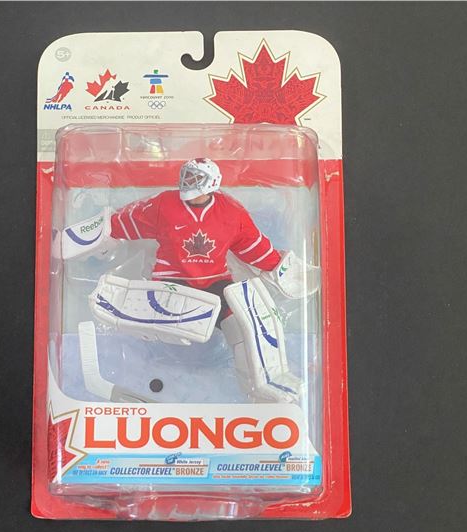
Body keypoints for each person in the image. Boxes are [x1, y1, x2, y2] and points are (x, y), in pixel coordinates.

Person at [83, 158, 320, 403]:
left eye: (196, 178)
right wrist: (91, 236)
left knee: (246, 324)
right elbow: (123, 222)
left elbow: (253, 247)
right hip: (172, 283)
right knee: (175, 319)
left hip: (216, 284)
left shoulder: (231, 212)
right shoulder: (164, 204)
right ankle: (134, 310)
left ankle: (264, 383)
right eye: (187, 176)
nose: (189, 183)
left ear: (212, 182)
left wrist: (280, 267)